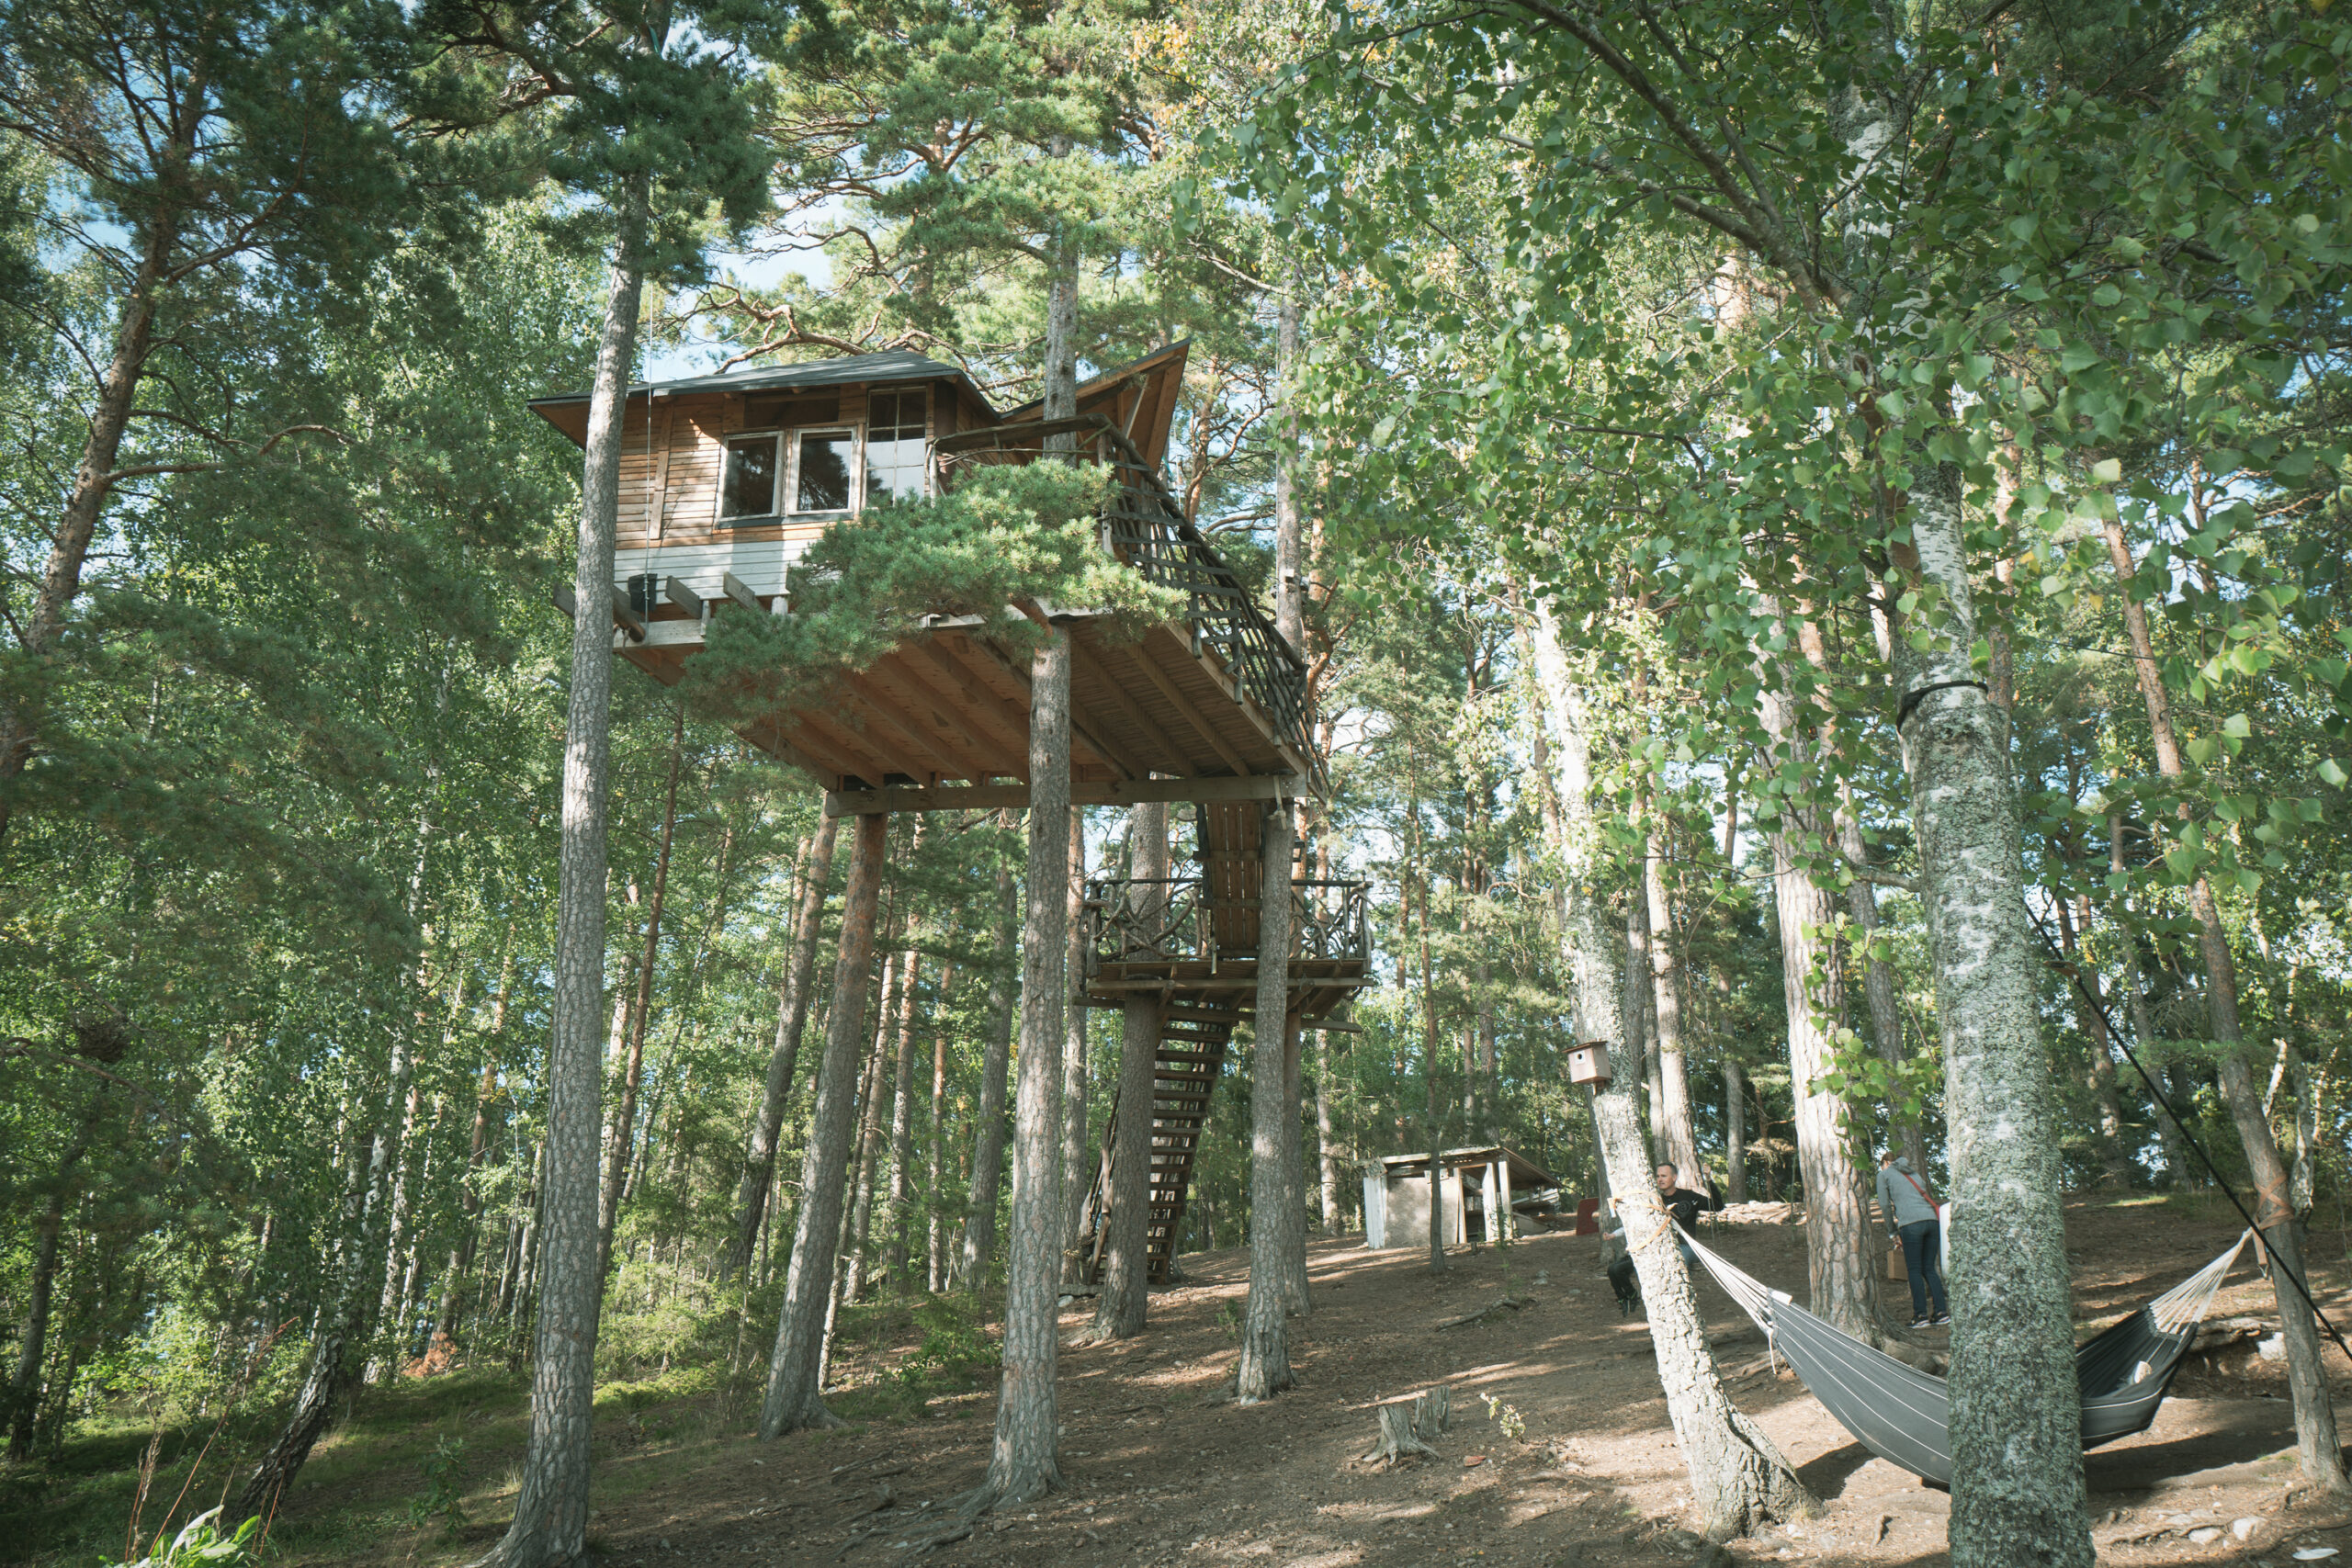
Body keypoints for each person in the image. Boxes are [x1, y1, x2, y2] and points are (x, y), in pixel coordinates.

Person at [1601, 1162, 1724, 1315]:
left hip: (1685, 1246)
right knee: (1615, 1269)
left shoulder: (1688, 1196)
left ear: (1674, 1177)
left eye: (1664, 1176)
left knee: (1678, 1260)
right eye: (1658, 1176)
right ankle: (1629, 1296)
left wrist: (1709, 1180)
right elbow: (1636, 1223)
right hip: (1657, 1247)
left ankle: (1684, 1299)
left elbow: (1717, 1206)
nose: (1660, 1179)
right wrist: (1614, 1234)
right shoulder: (1653, 1199)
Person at [1877, 1150, 1950, 1329]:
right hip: (1932, 1221)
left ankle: (1920, 1316)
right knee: (1929, 1269)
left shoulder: (1884, 1175)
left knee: (1914, 1270)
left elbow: (1884, 1205)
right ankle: (1941, 1313)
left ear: (1885, 1163)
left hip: (1911, 1224)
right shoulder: (1912, 1172)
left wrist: (1892, 1232)